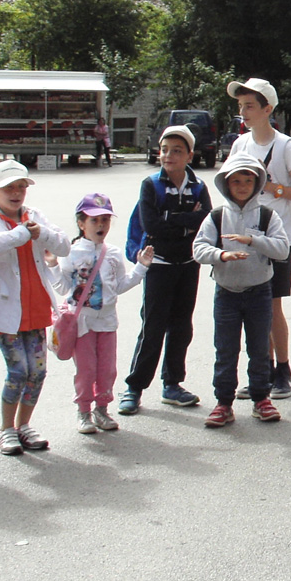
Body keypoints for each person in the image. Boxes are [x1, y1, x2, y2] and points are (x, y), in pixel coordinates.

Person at [0, 161, 71, 456]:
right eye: (9, 188)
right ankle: (6, 430)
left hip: (36, 306)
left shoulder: (35, 216)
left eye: (21, 187)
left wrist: (41, 234)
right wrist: (20, 234)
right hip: (7, 312)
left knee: (37, 371)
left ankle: (24, 425)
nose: (16, 193)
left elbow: (64, 246)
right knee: (18, 371)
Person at [227, 79, 291, 400]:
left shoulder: (284, 146)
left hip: (277, 237)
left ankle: (283, 371)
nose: (244, 112)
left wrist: (271, 188)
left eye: (250, 106)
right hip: (246, 237)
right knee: (254, 307)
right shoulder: (240, 146)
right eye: (241, 106)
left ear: (268, 109)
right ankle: (260, 373)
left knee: (272, 305)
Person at [119, 126, 212, 415]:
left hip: (188, 264)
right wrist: (186, 223)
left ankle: (172, 384)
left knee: (182, 326)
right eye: (164, 150)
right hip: (158, 264)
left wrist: (172, 218)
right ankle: (134, 388)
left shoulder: (199, 187)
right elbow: (152, 225)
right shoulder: (151, 185)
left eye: (177, 151)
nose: (168, 155)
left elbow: (205, 221)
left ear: (190, 156)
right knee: (153, 326)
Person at [193, 154, 290, 427]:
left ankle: (261, 398)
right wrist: (221, 255)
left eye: (248, 181)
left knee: (259, 349)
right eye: (236, 181)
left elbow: (282, 249)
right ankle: (224, 403)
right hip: (226, 293)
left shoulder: (267, 215)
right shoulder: (216, 216)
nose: (242, 186)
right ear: (226, 184)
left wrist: (253, 240)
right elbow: (199, 248)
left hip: (259, 292)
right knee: (225, 350)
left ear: (257, 183)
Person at [45, 194, 152, 434]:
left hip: (107, 322)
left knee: (107, 370)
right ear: (81, 224)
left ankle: (102, 410)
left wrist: (141, 267)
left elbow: (120, 285)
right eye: (94, 220)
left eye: (105, 220)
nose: (101, 225)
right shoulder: (71, 252)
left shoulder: (112, 253)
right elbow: (63, 288)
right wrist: (52, 264)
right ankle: (83, 411)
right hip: (82, 323)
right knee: (86, 370)